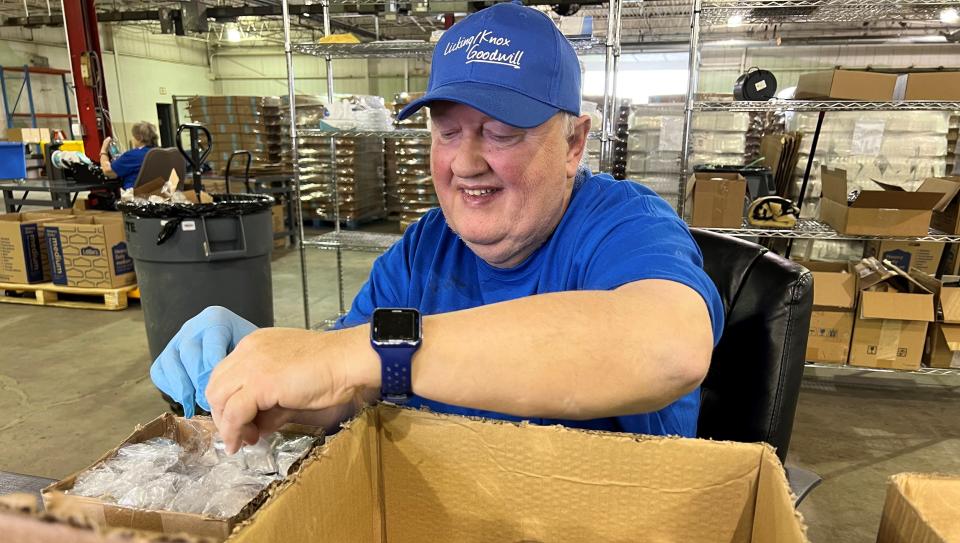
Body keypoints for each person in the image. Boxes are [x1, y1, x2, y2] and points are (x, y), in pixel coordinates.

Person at [151, 1, 723, 454]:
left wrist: (369, 353)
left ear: (574, 143)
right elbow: (351, 391)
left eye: (501, 133)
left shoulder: (622, 226)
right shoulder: (427, 248)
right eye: (448, 132)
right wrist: (267, 378)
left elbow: (668, 348)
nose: (467, 163)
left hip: (602, 536)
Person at [99, 121, 159, 189]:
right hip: (156, 195)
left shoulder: (133, 156)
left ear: (139, 138)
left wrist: (103, 150)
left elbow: (108, 171)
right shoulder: (158, 153)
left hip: (136, 196)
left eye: (133, 136)